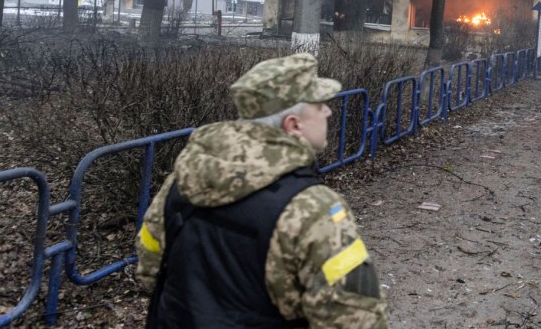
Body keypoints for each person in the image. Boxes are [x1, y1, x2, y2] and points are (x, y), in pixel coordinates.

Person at [135, 52, 389, 328]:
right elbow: (356, 318)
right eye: (319, 105)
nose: (328, 111)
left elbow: (149, 268)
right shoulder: (313, 209)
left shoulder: (183, 180)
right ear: (293, 125)